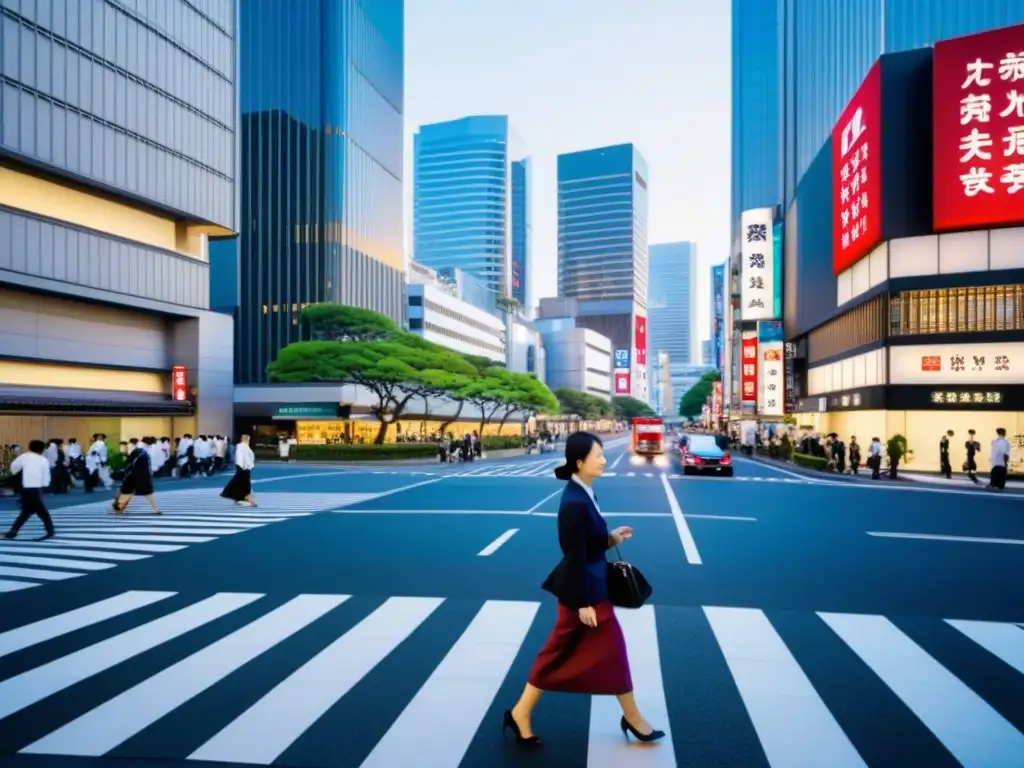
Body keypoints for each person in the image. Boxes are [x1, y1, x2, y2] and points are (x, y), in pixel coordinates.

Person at [504, 431, 664, 747]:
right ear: (580, 462)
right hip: (582, 595)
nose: (603, 460)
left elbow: (587, 545)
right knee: (581, 652)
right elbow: (573, 554)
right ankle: (630, 718)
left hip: (589, 588)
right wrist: (583, 604)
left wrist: (611, 539)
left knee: (569, 653)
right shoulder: (574, 501)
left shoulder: (585, 492)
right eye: (598, 456)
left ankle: (521, 712)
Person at [3, 440, 56, 541]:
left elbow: (14, 467)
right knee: (42, 512)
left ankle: (13, 531)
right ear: (42, 449)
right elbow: (46, 476)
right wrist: (45, 484)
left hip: (25, 488)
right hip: (36, 489)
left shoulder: (24, 457)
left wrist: (16, 473)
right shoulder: (43, 460)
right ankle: (50, 531)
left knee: (26, 512)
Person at [111, 438, 161, 515]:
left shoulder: (138, 451)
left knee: (127, 491)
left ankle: (119, 507)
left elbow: (131, 463)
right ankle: (155, 509)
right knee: (145, 492)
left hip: (134, 475)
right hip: (141, 475)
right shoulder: (142, 451)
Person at [221, 434, 258, 506]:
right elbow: (241, 458)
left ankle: (240, 497)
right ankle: (242, 497)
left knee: (242, 483)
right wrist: (243, 466)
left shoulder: (244, 447)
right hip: (244, 468)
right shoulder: (242, 447)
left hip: (244, 467)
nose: (249, 441)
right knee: (244, 484)